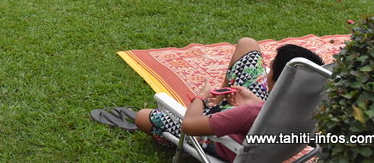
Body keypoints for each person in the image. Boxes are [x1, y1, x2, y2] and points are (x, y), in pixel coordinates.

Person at [129, 39, 323, 162]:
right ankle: (220, 100)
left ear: (278, 81)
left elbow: (189, 125)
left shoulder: (249, 113)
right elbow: (261, 113)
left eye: (270, 70)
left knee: (143, 117)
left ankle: (200, 126)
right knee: (247, 44)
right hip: (257, 126)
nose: (267, 73)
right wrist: (254, 101)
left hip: (224, 141)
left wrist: (201, 98)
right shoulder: (315, 103)